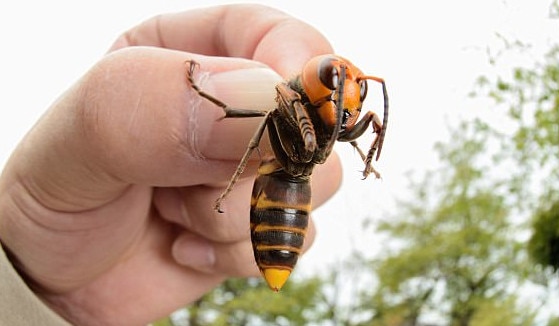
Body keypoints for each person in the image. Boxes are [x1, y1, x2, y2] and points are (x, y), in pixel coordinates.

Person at [0, 4, 342, 325]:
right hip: (282, 194)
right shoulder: (286, 94)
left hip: (290, 191)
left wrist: (45, 304)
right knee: (263, 115)